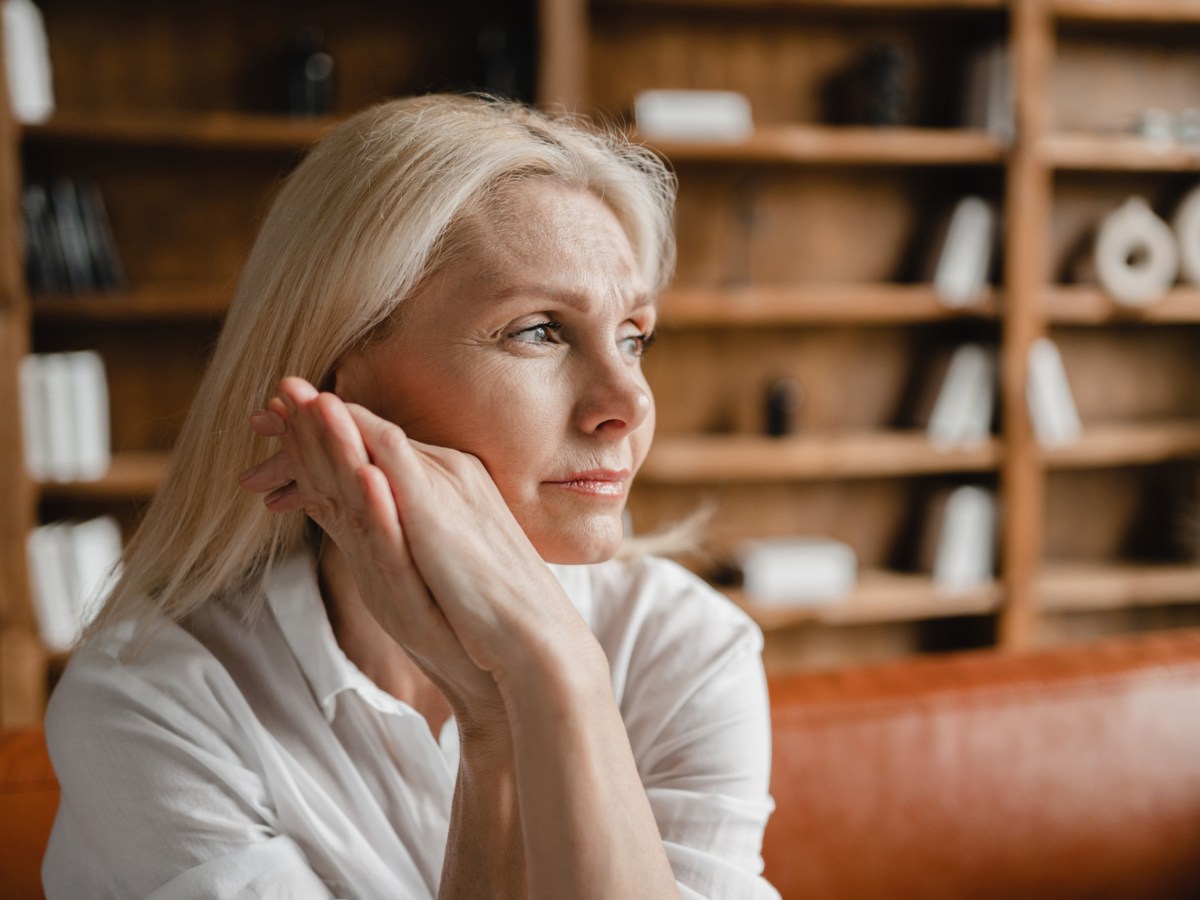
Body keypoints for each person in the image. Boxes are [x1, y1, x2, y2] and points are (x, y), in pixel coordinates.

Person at [42, 94, 779, 899]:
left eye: (634, 337)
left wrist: (559, 675)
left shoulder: (687, 647)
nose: (629, 403)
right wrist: (502, 716)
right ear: (337, 383)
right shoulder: (152, 702)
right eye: (537, 330)